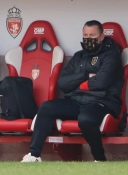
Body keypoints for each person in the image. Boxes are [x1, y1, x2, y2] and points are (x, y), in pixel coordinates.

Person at [21, 20, 124, 162]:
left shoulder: (112, 55)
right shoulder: (78, 56)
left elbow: (101, 82)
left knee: (86, 119)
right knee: (46, 107)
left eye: (92, 35)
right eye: (86, 35)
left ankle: (100, 160)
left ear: (101, 36)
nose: (88, 39)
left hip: (102, 102)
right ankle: (34, 155)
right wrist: (86, 76)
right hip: (76, 101)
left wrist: (78, 85)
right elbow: (63, 83)